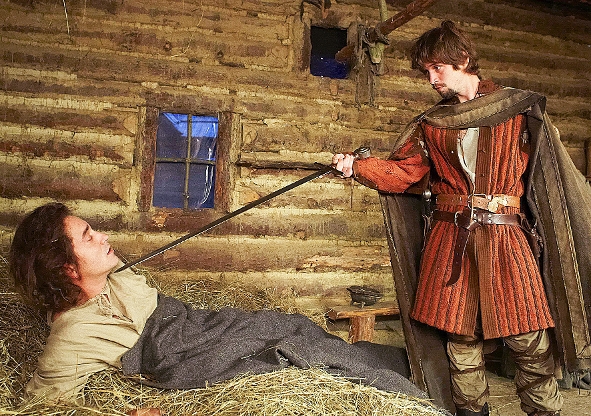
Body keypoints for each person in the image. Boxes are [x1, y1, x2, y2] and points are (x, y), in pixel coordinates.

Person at [330, 20, 591, 416]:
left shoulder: (517, 110)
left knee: (529, 338)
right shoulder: (432, 124)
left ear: (463, 60)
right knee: (460, 340)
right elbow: (405, 173)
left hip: (507, 238)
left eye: (437, 68)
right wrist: (358, 167)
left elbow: (550, 176)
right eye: (426, 72)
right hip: (450, 240)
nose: (431, 79)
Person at [9, 202, 425, 409]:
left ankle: (407, 367)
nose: (102, 236)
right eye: (88, 236)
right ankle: (409, 395)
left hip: (196, 322)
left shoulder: (112, 271)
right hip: (181, 355)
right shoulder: (72, 335)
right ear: (67, 268)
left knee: (292, 324)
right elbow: (41, 407)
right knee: (289, 351)